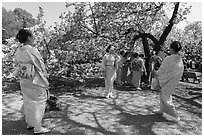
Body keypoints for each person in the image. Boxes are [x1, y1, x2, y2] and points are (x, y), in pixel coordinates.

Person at [14, 29, 50, 134]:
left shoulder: (19, 50)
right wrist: (45, 80)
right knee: (39, 102)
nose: (34, 38)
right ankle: (38, 127)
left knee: (28, 101)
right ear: (29, 38)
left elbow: (16, 63)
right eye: (33, 36)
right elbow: (40, 66)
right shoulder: (31, 50)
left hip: (24, 79)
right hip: (35, 80)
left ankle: (30, 123)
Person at [154, 41, 184, 122]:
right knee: (164, 94)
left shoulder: (168, 59)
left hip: (166, 80)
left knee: (165, 97)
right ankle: (161, 110)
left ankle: (176, 116)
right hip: (173, 80)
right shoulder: (179, 60)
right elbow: (178, 71)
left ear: (171, 48)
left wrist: (157, 73)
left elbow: (163, 69)